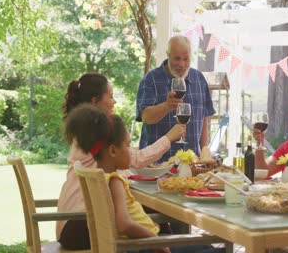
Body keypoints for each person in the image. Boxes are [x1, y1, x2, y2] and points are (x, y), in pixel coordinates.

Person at [64, 104, 224, 253]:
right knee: (219, 249)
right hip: (146, 246)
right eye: (127, 146)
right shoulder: (114, 181)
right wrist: (156, 242)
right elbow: (124, 223)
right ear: (113, 151)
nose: (131, 151)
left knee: (204, 246)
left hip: (144, 244)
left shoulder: (100, 178)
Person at [57, 72, 185, 250]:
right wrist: (169, 138)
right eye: (110, 96)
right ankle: (167, 244)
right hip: (80, 224)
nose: (114, 102)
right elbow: (135, 158)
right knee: (154, 216)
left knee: (150, 213)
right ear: (95, 101)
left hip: (72, 224)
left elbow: (115, 161)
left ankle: (164, 242)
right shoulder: (94, 134)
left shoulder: (86, 132)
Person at [136, 35, 215, 163]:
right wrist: (166, 106)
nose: (182, 64)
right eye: (177, 59)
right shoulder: (151, 79)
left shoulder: (199, 78)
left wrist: (204, 149)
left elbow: (204, 116)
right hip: (157, 164)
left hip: (191, 163)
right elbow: (145, 117)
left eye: (186, 59)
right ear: (168, 55)